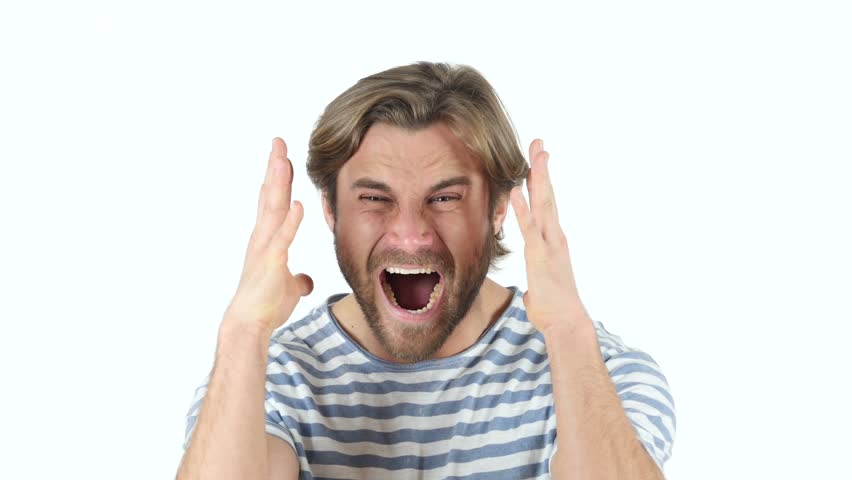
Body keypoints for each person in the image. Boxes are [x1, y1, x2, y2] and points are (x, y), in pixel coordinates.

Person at [176, 62, 676, 479]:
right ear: (330, 208)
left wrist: (568, 331)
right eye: (374, 198)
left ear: (498, 209)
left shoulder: (601, 374)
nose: (411, 234)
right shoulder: (266, 377)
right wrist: (244, 331)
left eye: (444, 198)